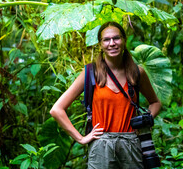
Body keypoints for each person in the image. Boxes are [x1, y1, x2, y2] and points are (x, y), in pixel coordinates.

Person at [50, 21, 162, 169]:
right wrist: (81, 139)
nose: (112, 43)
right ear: (100, 44)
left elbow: (155, 102)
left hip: (131, 143)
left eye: (116, 38)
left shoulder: (136, 72)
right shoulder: (91, 72)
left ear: (124, 40)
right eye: (106, 40)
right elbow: (57, 109)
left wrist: (145, 121)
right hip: (101, 144)